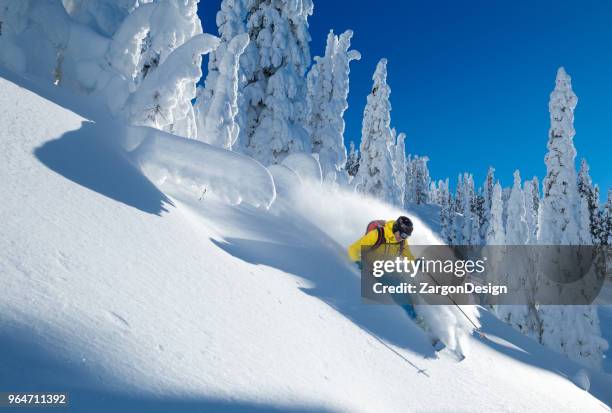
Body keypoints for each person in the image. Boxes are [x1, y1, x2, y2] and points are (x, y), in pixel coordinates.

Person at [347, 216, 416, 264]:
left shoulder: (402, 242)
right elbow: (353, 248)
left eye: (406, 236)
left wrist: (417, 263)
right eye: (402, 235)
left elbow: (408, 256)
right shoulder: (377, 235)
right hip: (368, 266)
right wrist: (357, 261)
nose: (402, 238)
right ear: (396, 229)